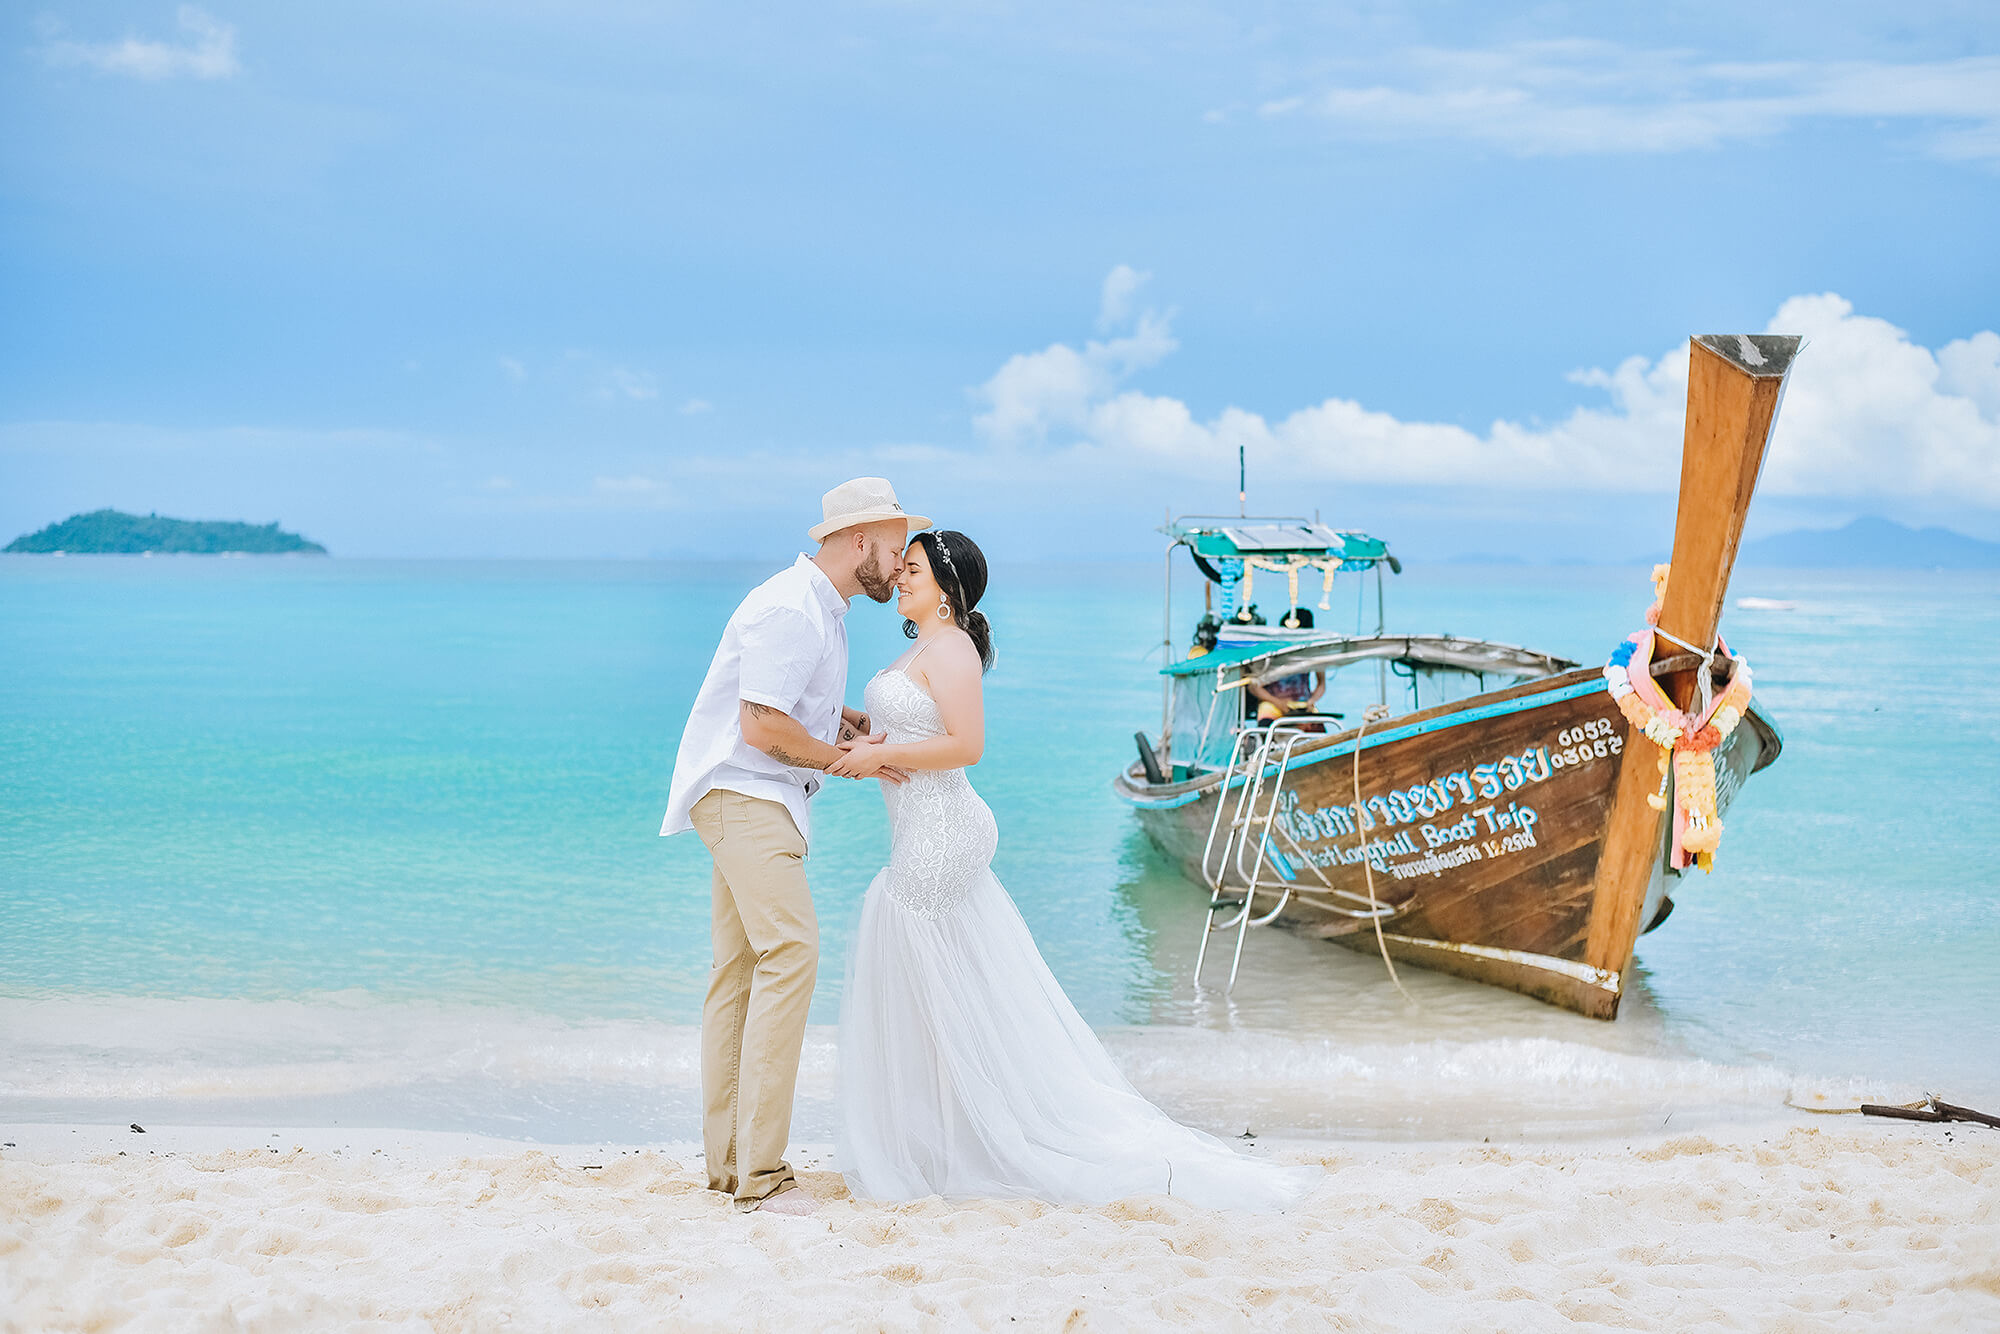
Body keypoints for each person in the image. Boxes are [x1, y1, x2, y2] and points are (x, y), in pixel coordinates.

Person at [826, 530, 1318, 1211]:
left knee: (925, 971)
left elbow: (967, 746)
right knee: (937, 984)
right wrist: (872, 744)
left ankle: (960, 1140)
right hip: (923, 825)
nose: (901, 578)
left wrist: (879, 760)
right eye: (903, 568)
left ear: (948, 584)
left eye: (913, 570)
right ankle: (946, 1134)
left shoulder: (952, 647)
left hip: (942, 830)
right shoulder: (923, 646)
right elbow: (920, 733)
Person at [660, 477, 929, 1216]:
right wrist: (850, 760)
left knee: (741, 973)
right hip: (746, 795)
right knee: (792, 955)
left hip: (749, 796)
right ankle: (764, 1176)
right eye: (894, 542)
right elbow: (763, 729)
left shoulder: (821, 609)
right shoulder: (791, 608)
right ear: (856, 540)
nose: (902, 558)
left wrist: (844, 725)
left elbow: (791, 709)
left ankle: (733, 1168)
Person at [1249, 607, 1326, 722]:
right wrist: (1277, 702)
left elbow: (1321, 684)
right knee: (1266, 720)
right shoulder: (1271, 653)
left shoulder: (1313, 653)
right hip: (1272, 703)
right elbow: (1253, 686)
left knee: (1318, 729)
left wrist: (1311, 701)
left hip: (1303, 706)